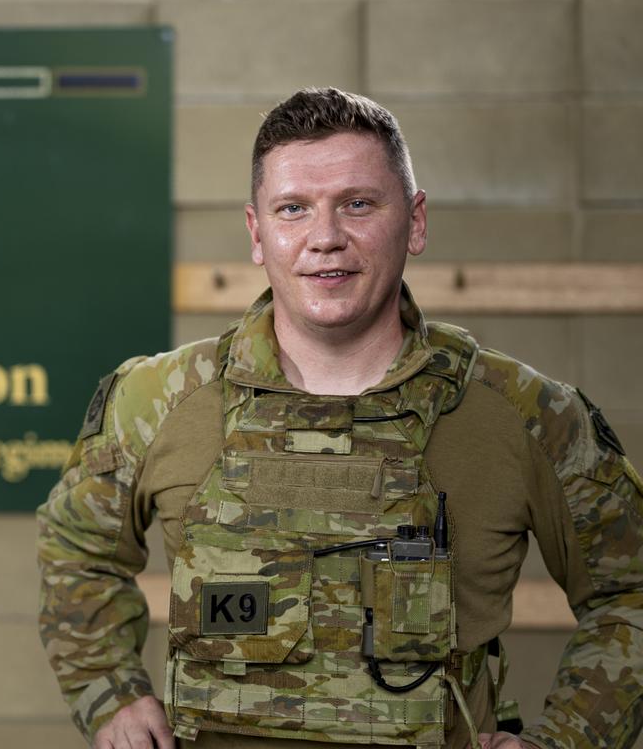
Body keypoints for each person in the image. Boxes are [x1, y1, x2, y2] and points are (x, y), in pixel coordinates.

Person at [37, 87, 643, 749]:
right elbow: (76, 548)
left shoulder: (526, 415)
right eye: (293, 209)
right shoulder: (158, 399)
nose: (325, 239)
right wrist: (109, 692)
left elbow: (631, 591)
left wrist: (569, 738)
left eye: (358, 204)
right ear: (255, 231)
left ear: (414, 221)